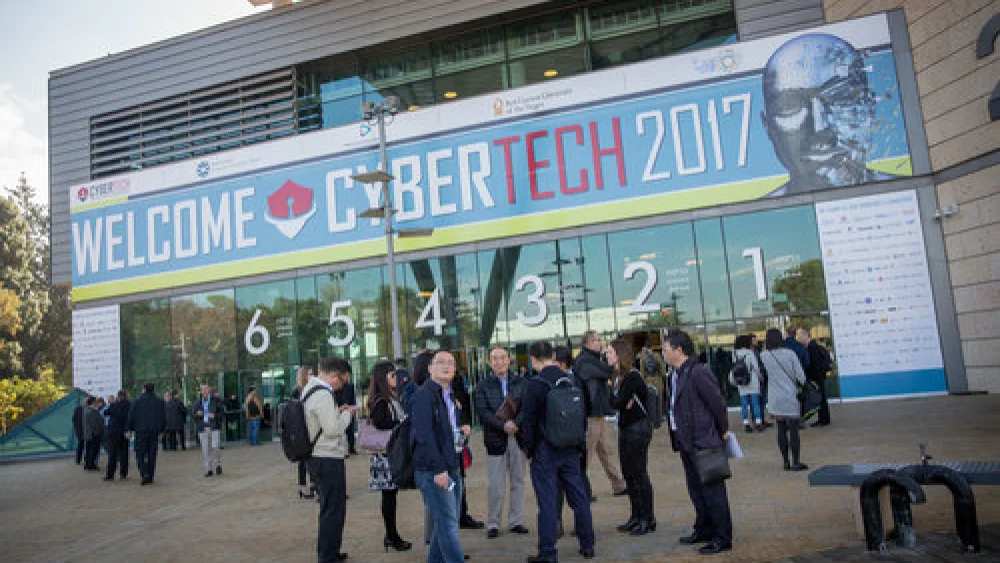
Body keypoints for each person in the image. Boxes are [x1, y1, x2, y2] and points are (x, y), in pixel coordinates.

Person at [761, 33, 897, 197]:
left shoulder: (907, 196)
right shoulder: (753, 221)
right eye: (790, 106)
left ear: (869, 108)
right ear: (768, 127)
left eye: (839, 97)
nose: (820, 127)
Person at [521, 341, 595, 562]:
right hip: (571, 447)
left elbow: (529, 422)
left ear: (533, 359)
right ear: (553, 356)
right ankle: (588, 544)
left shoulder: (535, 384)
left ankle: (548, 552)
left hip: (546, 449)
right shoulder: (572, 380)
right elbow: (584, 413)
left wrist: (529, 450)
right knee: (579, 497)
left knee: (547, 502)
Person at [664, 329, 733, 555]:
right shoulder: (677, 374)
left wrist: (722, 430)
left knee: (713, 491)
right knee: (696, 490)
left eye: (665, 349)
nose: (663, 353)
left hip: (704, 440)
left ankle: (722, 537)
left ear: (678, 350)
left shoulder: (698, 372)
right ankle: (703, 528)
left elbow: (717, 404)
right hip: (687, 442)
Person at [411, 350, 468, 563]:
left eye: (451, 363)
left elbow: (446, 431)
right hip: (434, 470)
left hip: (452, 465)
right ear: (430, 368)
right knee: (448, 524)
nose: (446, 366)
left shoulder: (449, 395)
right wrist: (439, 470)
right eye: (440, 362)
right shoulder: (424, 395)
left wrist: (462, 431)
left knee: (446, 523)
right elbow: (424, 436)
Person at [303, 357, 357, 563]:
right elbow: (333, 430)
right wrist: (347, 415)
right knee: (333, 510)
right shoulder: (323, 394)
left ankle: (330, 552)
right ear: (335, 375)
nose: (341, 385)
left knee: (329, 508)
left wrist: (337, 412)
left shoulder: (310, 389)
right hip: (327, 457)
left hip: (317, 456)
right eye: (342, 381)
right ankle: (327, 556)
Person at [474, 345, 528, 539]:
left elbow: (527, 407)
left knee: (518, 481)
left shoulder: (522, 382)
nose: (499, 362)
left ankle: (516, 521)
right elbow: (483, 413)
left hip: (518, 437)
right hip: (496, 439)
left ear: (509, 360)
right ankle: (493, 523)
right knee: (496, 485)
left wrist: (516, 423)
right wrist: (503, 426)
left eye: (502, 357)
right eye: (495, 358)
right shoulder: (482, 386)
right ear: (489, 363)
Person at [608, 338, 655, 536]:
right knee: (629, 473)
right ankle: (636, 516)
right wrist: (619, 400)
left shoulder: (632, 377)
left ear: (619, 353)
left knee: (639, 473)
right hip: (626, 427)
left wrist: (615, 397)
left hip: (638, 428)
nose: (607, 355)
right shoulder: (619, 377)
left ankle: (648, 518)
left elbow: (616, 403)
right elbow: (619, 402)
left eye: (610, 352)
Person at [574, 330, 627, 500]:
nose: (601, 343)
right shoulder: (584, 361)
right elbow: (606, 372)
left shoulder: (593, 359)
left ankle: (619, 484)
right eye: (598, 340)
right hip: (590, 415)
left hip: (599, 414)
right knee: (586, 455)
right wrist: (612, 361)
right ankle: (582, 491)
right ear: (589, 343)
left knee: (606, 451)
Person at [366, 360, 412, 552]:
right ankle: (392, 536)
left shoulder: (392, 397)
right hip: (385, 456)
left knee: (391, 497)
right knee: (389, 497)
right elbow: (380, 422)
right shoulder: (381, 400)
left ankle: (391, 535)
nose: (396, 378)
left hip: (391, 454)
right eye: (392, 375)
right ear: (383, 378)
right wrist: (399, 422)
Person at [761, 328, 809, 471]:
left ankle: (785, 462)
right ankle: (796, 461)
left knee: (781, 429)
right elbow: (801, 376)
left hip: (774, 397)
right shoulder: (789, 354)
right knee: (793, 429)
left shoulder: (764, 355)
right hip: (790, 396)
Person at [553, 345, 587, 538]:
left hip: (567, 443)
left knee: (572, 485)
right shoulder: (577, 381)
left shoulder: (567, 382)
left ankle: (576, 524)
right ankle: (565, 523)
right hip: (574, 441)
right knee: (571, 485)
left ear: (562, 364)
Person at [451, 374, 484, 531]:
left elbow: (462, 411)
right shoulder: (429, 393)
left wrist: (465, 424)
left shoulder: (455, 388)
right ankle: (455, 517)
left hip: (458, 444)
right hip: (445, 451)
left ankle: (462, 514)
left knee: (460, 481)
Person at [127, 382, 166, 485]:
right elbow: (163, 417)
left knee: (140, 453)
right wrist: (162, 430)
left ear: (144, 389)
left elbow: (131, 417)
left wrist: (129, 429)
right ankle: (151, 475)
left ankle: (144, 473)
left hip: (140, 431)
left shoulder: (137, 402)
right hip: (154, 431)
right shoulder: (159, 402)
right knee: (152, 453)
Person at [730, 335, 765, 433]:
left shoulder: (734, 353)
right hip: (752, 380)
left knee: (744, 404)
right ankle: (758, 423)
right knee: (755, 403)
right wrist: (760, 377)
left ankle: (746, 424)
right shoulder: (750, 353)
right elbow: (756, 368)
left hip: (741, 381)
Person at [798, 328, 833, 427]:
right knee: (821, 398)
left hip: (817, 377)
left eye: (801, 337)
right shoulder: (815, 346)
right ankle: (823, 419)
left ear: (806, 337)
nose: (800, 340)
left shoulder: (811, 348)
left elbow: (814, 364)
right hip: (820, 376)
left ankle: (824, 420)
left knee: (821, 398)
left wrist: (810, 375)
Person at [292, 366, 316, 499]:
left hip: (310, 427)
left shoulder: (312, 389)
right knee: (303, 459)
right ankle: (302, 486)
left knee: (312, 457)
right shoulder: (297, 391)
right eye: (310, 374)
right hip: (301, 429)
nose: (312, 376)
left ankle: (313, 484)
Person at [193, 383, 224, 477]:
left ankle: (218, 464)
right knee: (205, 450)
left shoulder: (216, 400)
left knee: (215, 447)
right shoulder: (197, 402)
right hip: (202, 428)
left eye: (206, 389)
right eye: (202, 389)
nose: (204, 391)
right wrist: (197, 414)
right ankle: (208, 469)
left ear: (209, 390)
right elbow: (193, 415)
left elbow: (222, 414)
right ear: (201, 391)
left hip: (214, 427)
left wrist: (214, 416)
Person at [104, 389, 130, 481]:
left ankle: (110, 474)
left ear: (118, 396)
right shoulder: (129, 405)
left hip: (114, 433)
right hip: (124, 432)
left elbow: (106, 412)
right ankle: (123, 473)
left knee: (112, 454)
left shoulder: (114, 405)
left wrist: (111, 403)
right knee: (124, 454)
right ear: (126, 396)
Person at [335, 375, 358, 456]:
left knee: (350, 430)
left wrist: (353, 407)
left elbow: (353, 398)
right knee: (342, 431)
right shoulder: (336, 386)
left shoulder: (350, 386)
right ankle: (344, 450)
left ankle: (351, 448)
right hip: (340, 410)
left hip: (349, 409)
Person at [82, 396, 104, 471]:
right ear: (93, 402)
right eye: (96, 402)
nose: (98, 403)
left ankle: (87, 464)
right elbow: (94, 424)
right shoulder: (93, 411)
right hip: (94, 434)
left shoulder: (86, 410)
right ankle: (91, 465)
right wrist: (98, 432)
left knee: (88, 450)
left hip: (88, 434)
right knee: (93, 450)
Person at [72, 398, 87, 465]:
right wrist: (76, 427)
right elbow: (74, 419)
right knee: (80, 444)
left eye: (87, 402)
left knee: (87, 445)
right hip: (80, 430)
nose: (86, 403)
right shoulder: (78, 409)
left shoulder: (90, 409)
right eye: (86, 402)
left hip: (87, 430)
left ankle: (87, 459)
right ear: (83, 402)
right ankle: (78, 460)